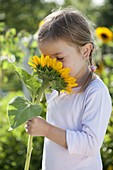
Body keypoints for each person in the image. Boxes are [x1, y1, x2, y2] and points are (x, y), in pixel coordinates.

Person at [25, 9, 112, 170]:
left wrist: (47, 130)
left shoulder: (95, 92)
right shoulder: (58, 87)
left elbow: (90, 145)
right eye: (47, 59)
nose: (54, 66)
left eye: (59, 58)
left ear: (85, 51)